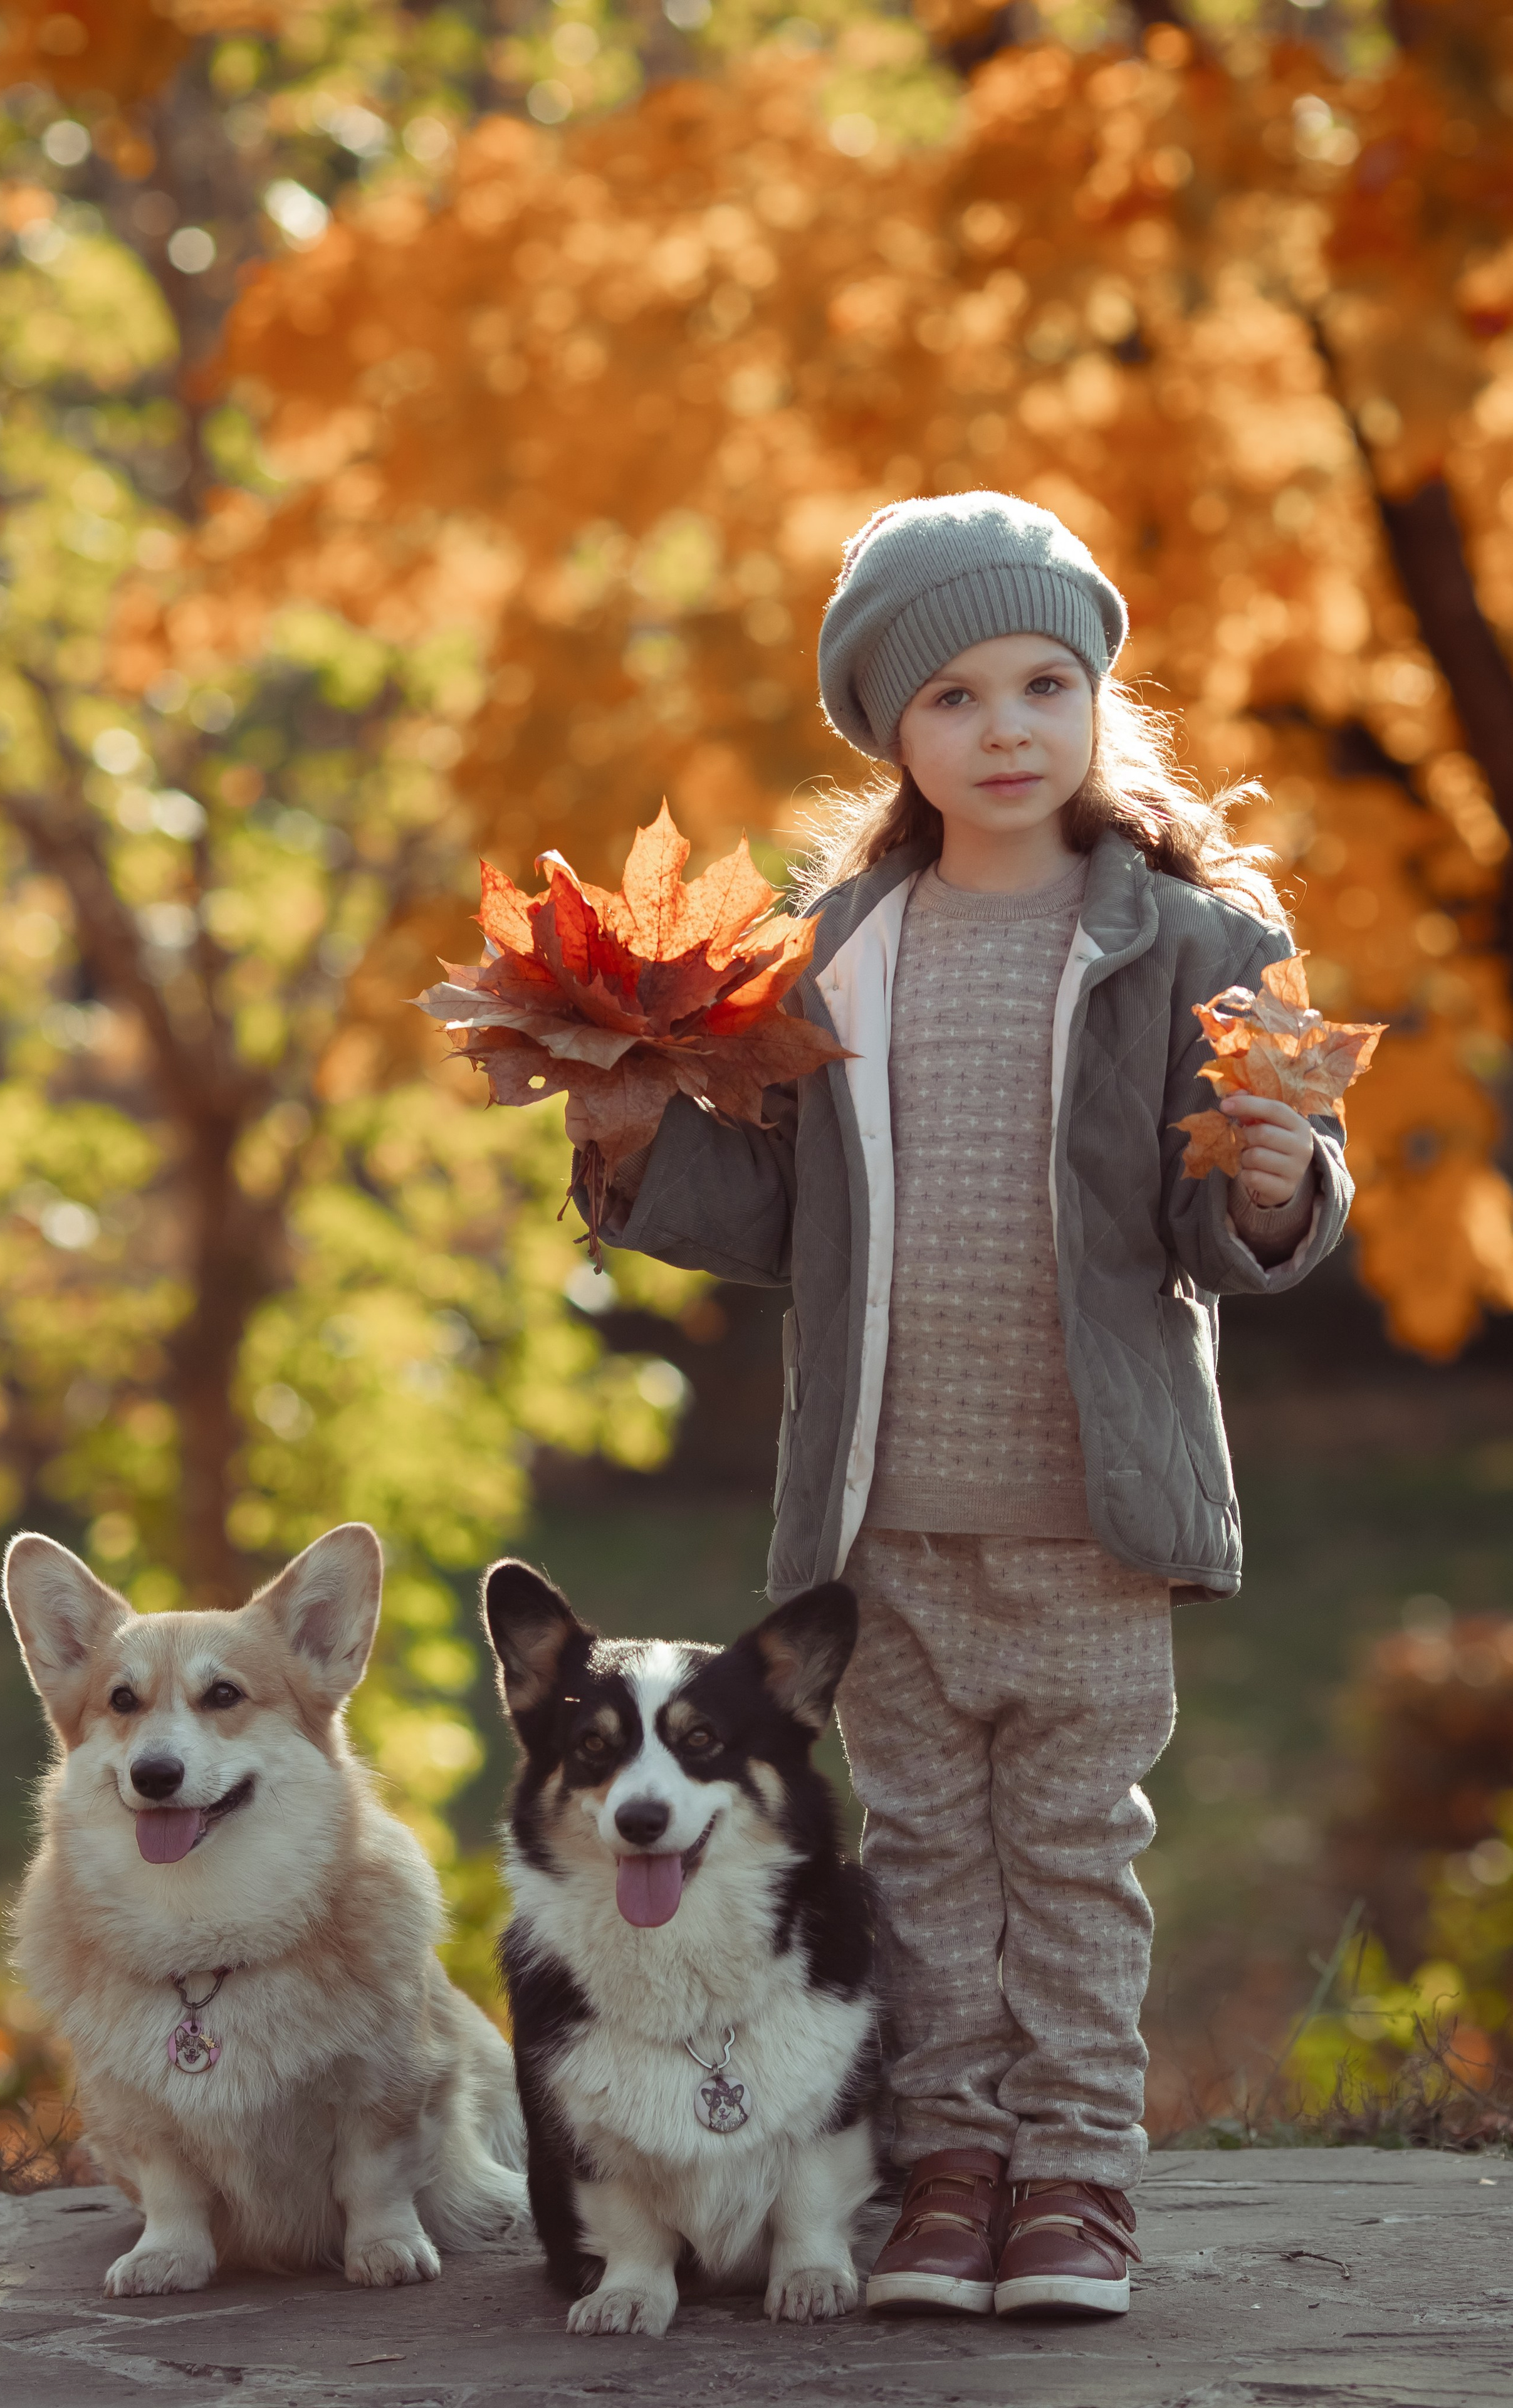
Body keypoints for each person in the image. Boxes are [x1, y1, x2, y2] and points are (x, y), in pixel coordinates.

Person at [585, 492, 1352, 2321]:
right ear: (889, 731)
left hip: (1093, 1511)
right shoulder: (827, 952)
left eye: (1043, 681)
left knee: (1074, 1860)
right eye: (953, 697)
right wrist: (624, 1144)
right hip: (886, 1517)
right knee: (923, 1855)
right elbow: (774, 1215)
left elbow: (1226, 1226)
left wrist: (1267, 1179)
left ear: (1098, 700)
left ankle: (1075, 2178)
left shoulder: (1193, 949)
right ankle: (946, 2171)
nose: (1005, 726)